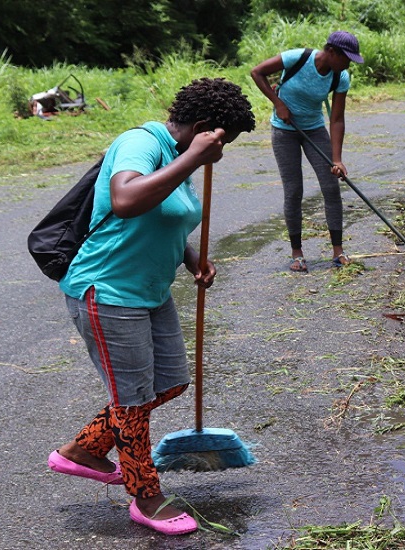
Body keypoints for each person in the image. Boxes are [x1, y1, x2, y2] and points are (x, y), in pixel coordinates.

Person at [48, 78, 255, 535]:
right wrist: (193, 159)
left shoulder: (184, 158)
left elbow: (166, 218)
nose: (221, 155)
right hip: (106, 291)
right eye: (223, 144)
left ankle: (81, 450)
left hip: (150, 291)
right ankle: (146, 496)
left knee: (170, 381)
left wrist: (193, 256)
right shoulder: (139, 144)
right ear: (203, 129)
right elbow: (126, 200)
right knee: (133, 402)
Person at [250, 31, 363, 272]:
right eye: (347, 58)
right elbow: (256, 72)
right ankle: (297, 254)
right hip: (284, 130)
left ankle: (338, 251)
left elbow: (337, 119)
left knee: (331, 186)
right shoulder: (297, 58)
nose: (348, 64)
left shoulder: (340, 77)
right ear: (331, 52)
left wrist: (337, 159)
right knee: (294, 191)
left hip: (313, 129)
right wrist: (277, 103)